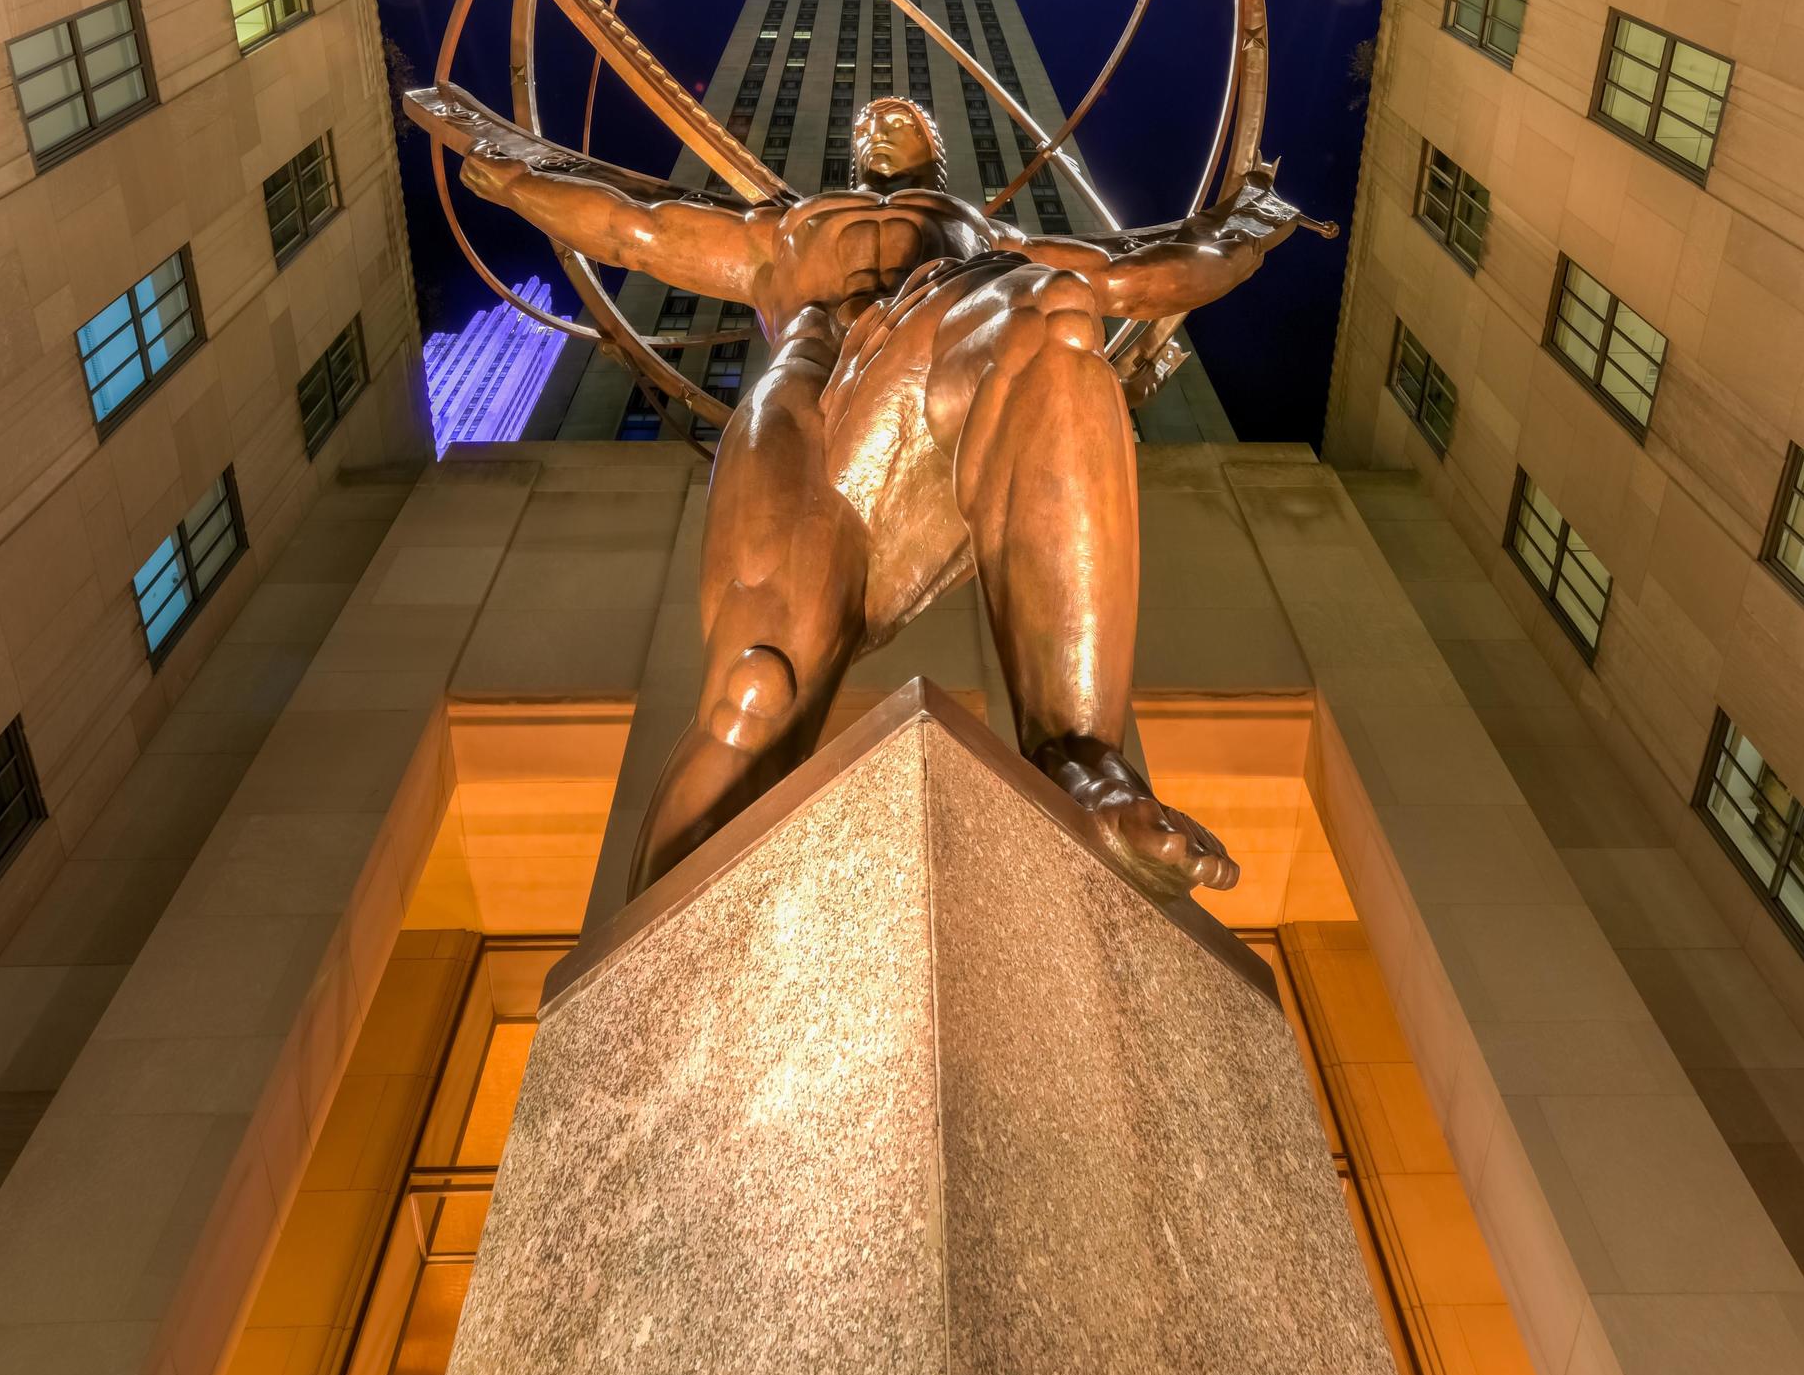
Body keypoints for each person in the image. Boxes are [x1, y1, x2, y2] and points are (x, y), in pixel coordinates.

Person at [407, 85, 1306, 900]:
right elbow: (631, 224)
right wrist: (514, 173)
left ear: (936, 150)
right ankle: (658, 951)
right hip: (808, 410)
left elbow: (1147, 271)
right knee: (754, 694)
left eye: (901, 118)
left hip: (937, 357)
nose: (878, 126)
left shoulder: (992, 242)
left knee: (1052, 311)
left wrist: (1249, 228)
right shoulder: (779, 233)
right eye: (865, 121)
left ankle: (1084, 762)